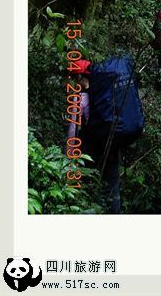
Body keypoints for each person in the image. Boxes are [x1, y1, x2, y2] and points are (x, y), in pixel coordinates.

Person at [66, 59, 122, 214]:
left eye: (73, 77)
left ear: (81, 78)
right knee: (112, 188)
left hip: (90, 152)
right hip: (112, 145)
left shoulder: (79, 100)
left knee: (90, 190)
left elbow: (73, 134)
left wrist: (70, 161)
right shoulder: (107, 94)